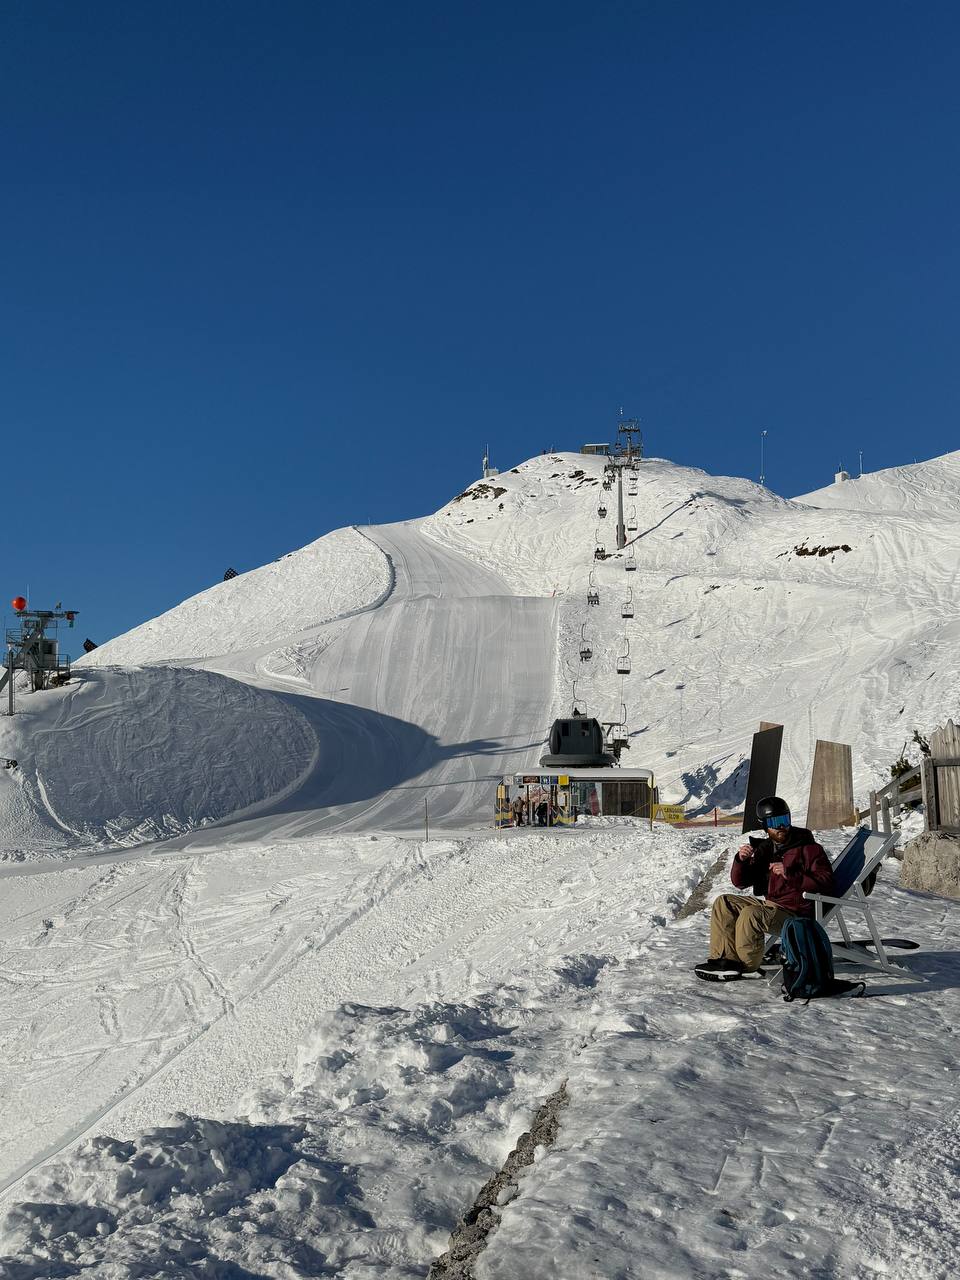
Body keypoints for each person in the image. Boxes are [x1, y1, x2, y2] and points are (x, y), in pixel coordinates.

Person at [695, 796, 835, 980]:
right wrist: (741, 861)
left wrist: (790, 874)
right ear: (765, 826)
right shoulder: (767, 849)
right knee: (724, 902)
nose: (781, 827)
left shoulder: (809, 848)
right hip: (772, 906)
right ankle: (724, 961)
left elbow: (826, 881)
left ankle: (748, 966)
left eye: (784, 820)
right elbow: (741, 883)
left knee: (751, 913)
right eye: (775, 822)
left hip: (797, 914)